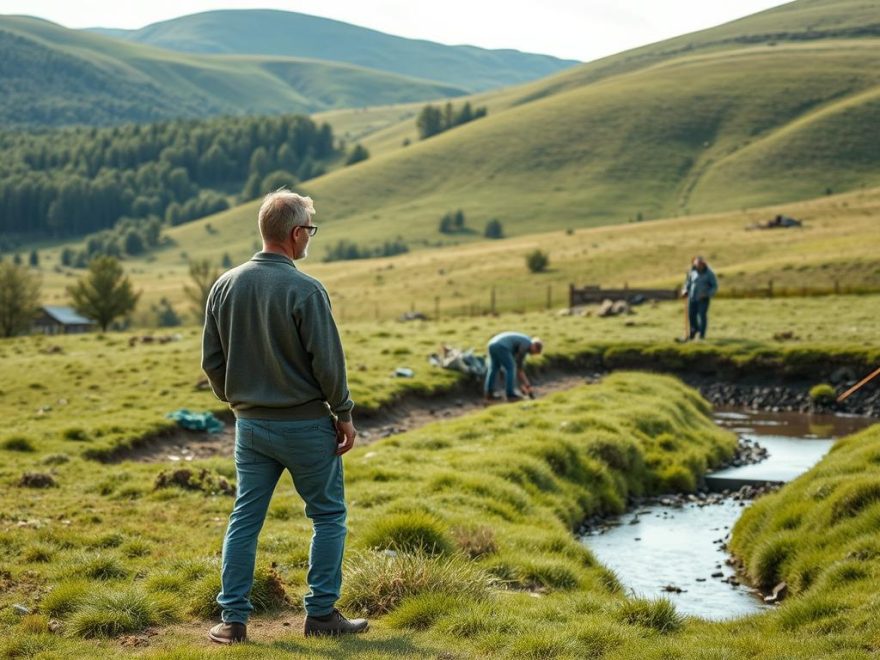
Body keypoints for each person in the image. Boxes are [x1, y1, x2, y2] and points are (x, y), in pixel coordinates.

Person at [201, 189, 368, 643]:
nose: (310, 238)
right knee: (329, 516)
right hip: (306, 426)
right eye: (309, 231)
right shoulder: (306, 289)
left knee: (245, 519)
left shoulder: (225, 284)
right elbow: (328, 363)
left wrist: (236, 400)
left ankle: (232, 621)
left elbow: (212, 361)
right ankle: (321, 615)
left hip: (250, 427)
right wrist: (344, 414)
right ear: (296, 234)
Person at [484, 332, 543, 401]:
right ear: (534, 346)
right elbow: (519, 367)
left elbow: (519, 368)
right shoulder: (526, 345)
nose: (532, 354)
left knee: (494, 368)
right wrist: (526, 385)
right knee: (511, 368)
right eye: (534, 352)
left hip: (492, 344)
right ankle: (510, 394)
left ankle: (489, 393)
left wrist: (527, 385)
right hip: (502, 346)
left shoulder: (525, 341)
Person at [681, 255, 718, 340]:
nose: (699, 265)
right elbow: (687, 283)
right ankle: (693, 333)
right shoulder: (691, 272)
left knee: (702, 316)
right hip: (692, 298)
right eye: (697, 264)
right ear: (694, 264)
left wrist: (707, 294)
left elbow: (714, 286)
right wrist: (684, 290)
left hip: (703, 299)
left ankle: (702, 335)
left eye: (700, 263)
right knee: (691, 316)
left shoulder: (709, 273)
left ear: (703, 263)